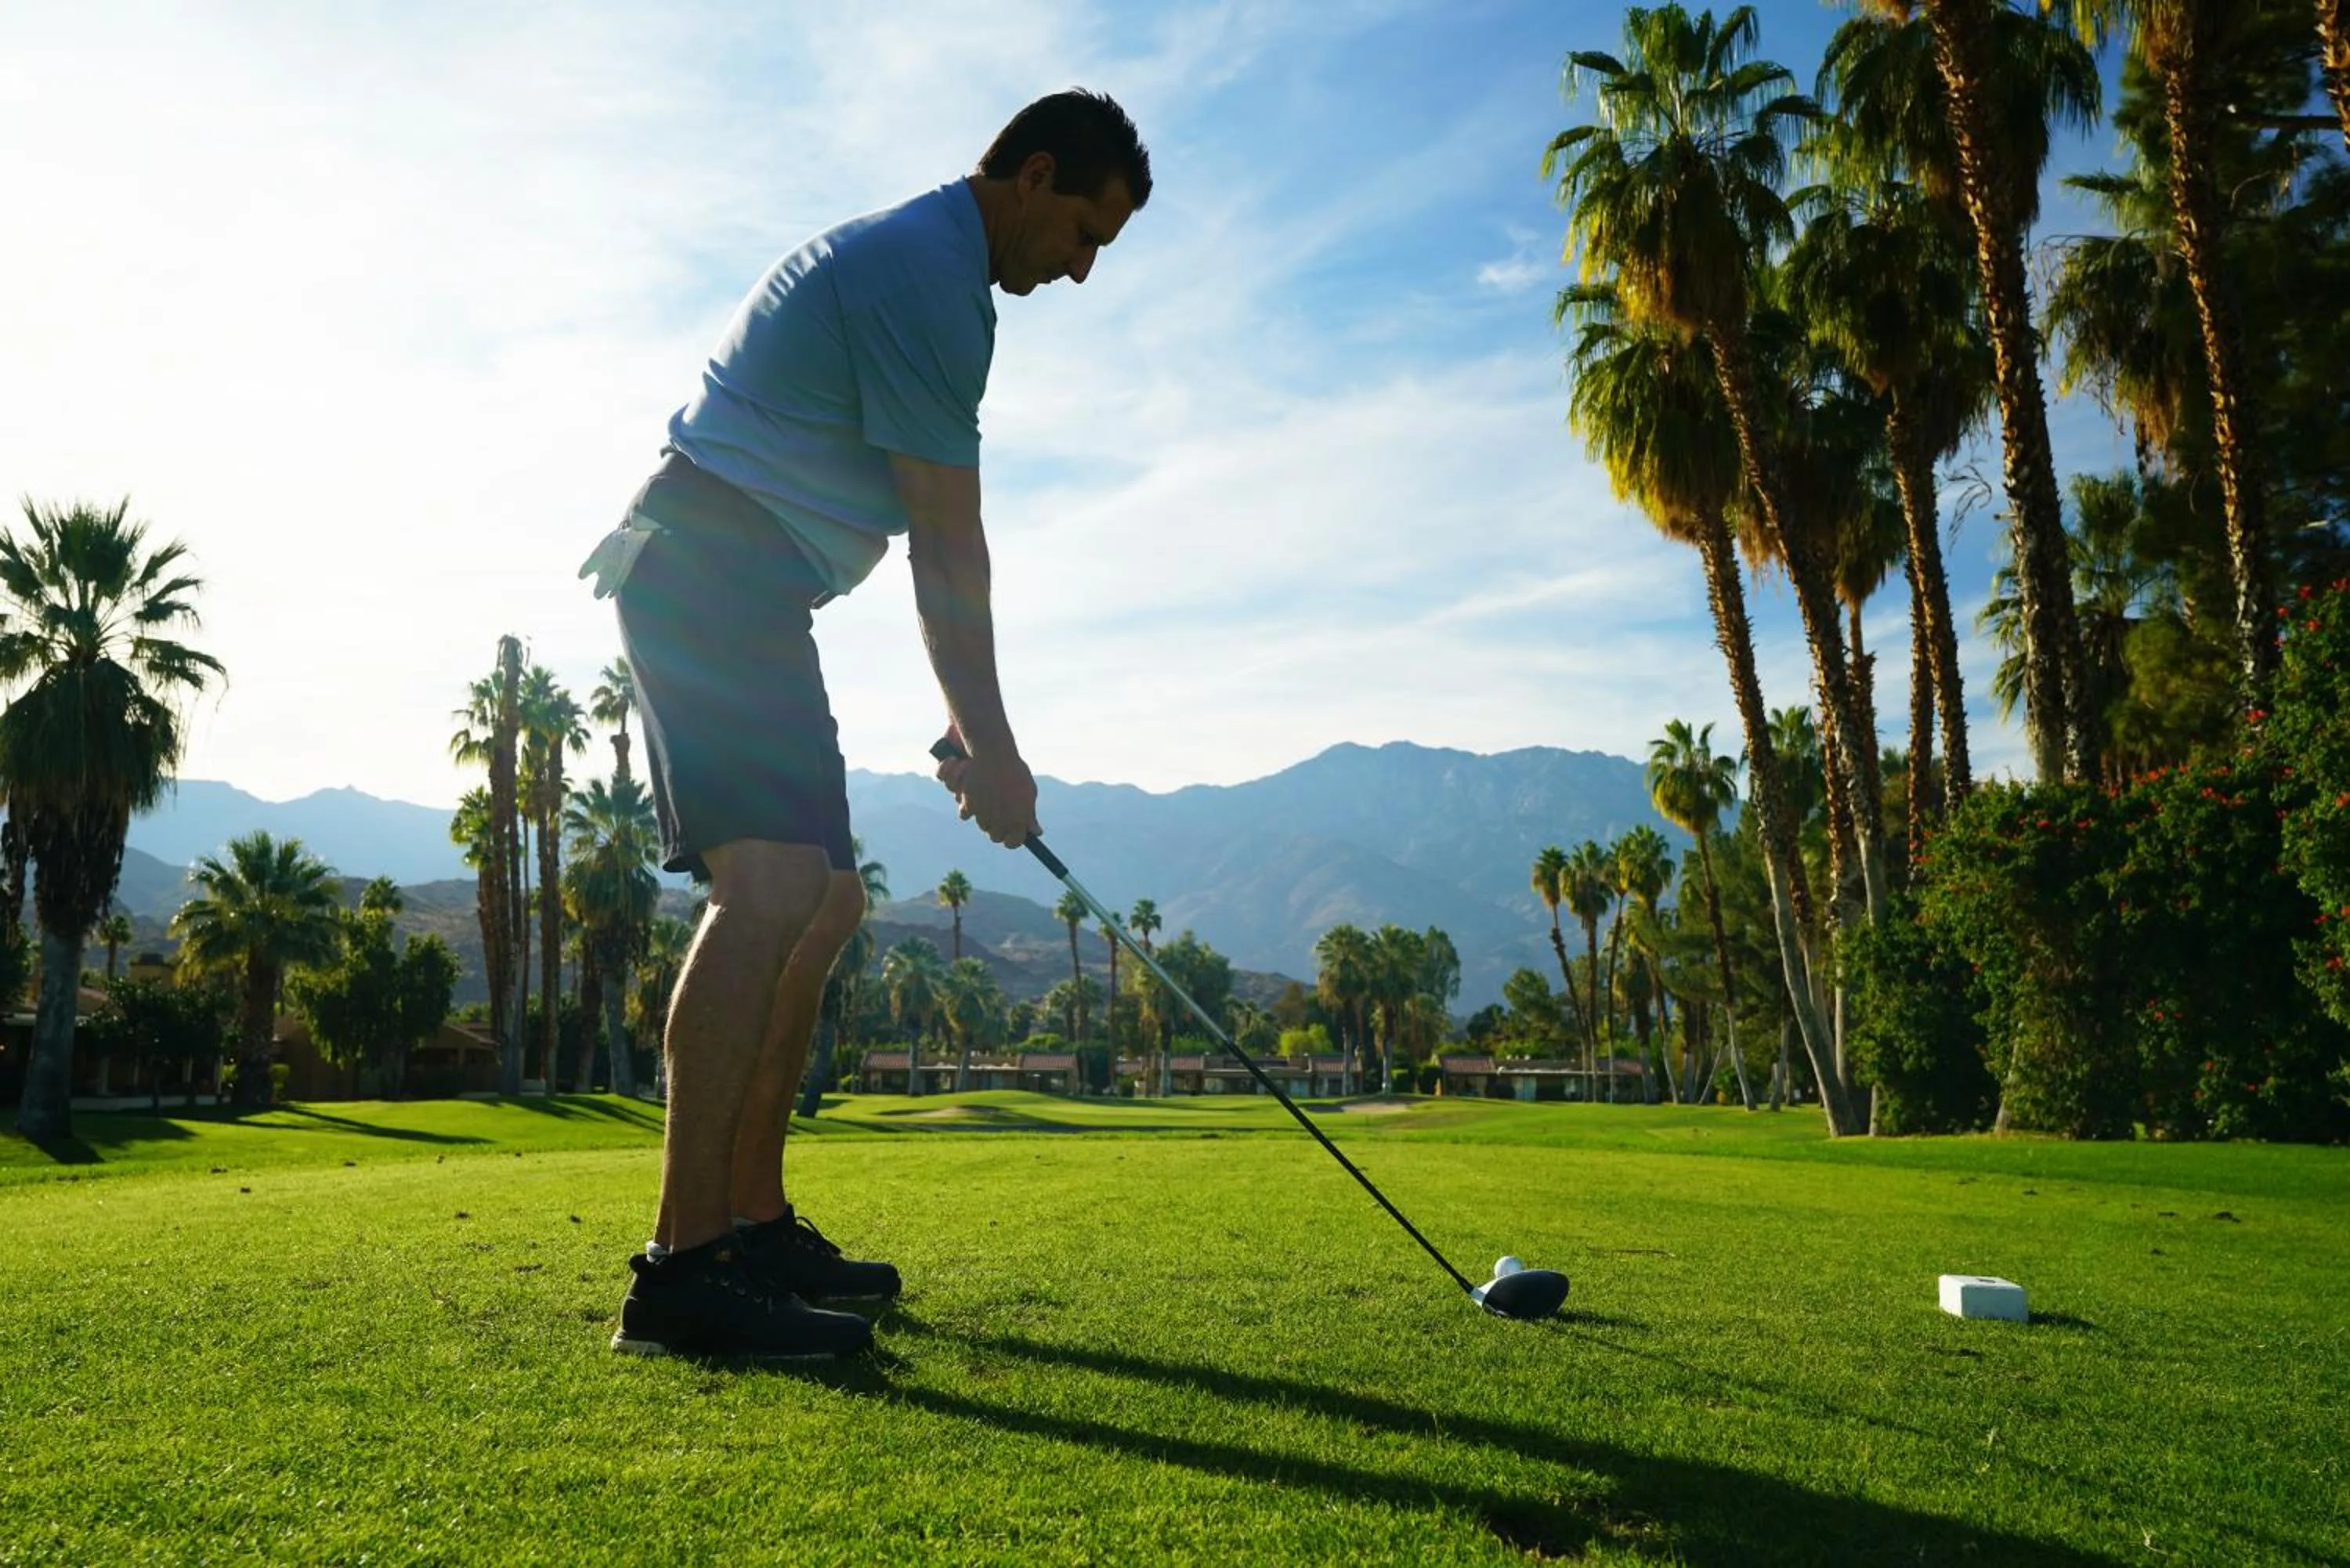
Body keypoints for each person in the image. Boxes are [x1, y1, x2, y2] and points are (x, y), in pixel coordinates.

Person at [578, 90, 1151, 1360]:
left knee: (826, 896)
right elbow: (949, 543)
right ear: (1036, 174)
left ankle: (752, 1217)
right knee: (772, 885)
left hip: (755, 580)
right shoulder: (927, 280)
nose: (1081, 269)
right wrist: (996, 751)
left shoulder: (937, 276)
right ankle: (680, 1271)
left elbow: (914, 532)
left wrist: (965, 720)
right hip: (706, 563)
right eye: (1082, 233)